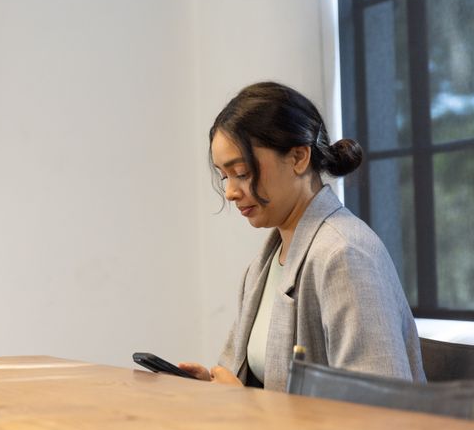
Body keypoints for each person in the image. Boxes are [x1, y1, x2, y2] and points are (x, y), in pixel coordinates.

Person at [179, 82, 425, 390]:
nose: (230, 192)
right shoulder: (264, 265)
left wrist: (245, 405)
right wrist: (216, 386)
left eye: (241, 172)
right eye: (224, 176)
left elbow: (379, 409)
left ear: (298, 157)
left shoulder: (344, 255)